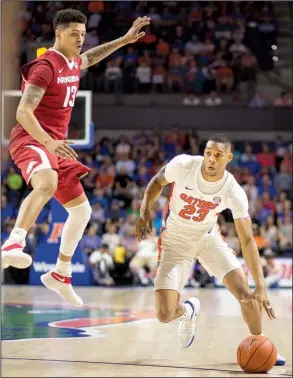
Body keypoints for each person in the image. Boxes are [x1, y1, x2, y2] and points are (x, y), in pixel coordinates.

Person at [2, 9, 150, 307]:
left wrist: (122, 41)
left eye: (82, 34)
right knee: (46, 183)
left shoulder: (72, 62)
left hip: (55, 145)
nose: (80, 39)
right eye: (74, 34)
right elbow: (22, 112)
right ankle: (13, 243)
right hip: (32, 139)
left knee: (82, 212)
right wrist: (48, 141)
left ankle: (61, 273)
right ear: (59, 34)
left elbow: (90, 58)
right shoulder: (45, 67)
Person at [136, 133, 285, 366]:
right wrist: (145, 207)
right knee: (164, 314)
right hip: (175, 241)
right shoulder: (184, 165)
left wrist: (262, 285)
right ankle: (187, 310)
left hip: (208, 239)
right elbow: (157, 181)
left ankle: (261, 345)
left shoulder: (233, 190)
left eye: (218, 155)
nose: (211, 159)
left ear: (228, 158)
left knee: (248, 296)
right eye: (208, 153)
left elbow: (247, 240)